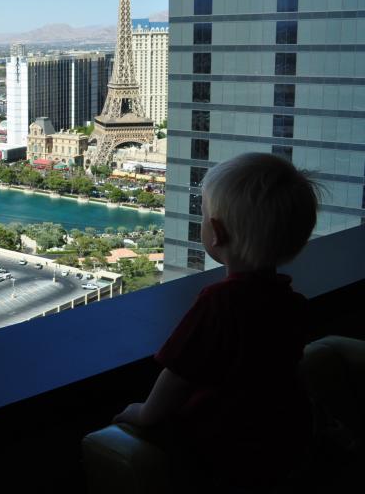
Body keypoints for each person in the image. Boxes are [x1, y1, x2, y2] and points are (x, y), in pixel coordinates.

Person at [112, 152, 320, 491]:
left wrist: (143, 413)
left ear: (217, 233)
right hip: (285, 435)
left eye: (204, 215)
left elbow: (179, 375)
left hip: (225, 444)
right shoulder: (292, 302)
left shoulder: (220, 302)